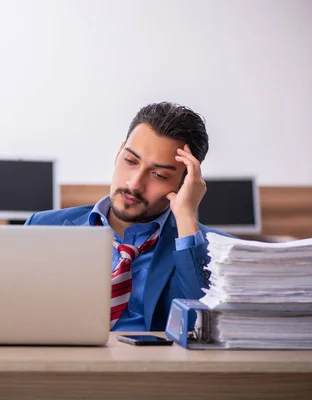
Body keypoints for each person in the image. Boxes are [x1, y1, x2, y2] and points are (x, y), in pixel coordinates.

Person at [24, 102, 230, 332]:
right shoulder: (42, 227)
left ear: (184, 183)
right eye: (130, 161)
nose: (134, 184)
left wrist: (185, 217)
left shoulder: (217, 250)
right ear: (118, 153)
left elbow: (207, 329)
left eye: (159, 175)